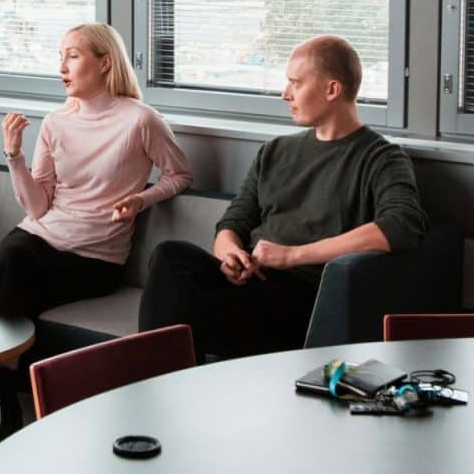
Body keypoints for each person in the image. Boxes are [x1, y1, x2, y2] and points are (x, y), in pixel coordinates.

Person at [0, 23, 193, 466]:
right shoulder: (56, 122)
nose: (61, 66)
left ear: (105, 62)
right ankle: (0, 407)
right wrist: (13, 154)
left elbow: (180, 175)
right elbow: (36, 208)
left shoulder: (140, 121)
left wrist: (140, 199)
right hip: (41, 238)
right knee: (11, 263)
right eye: (60, 55)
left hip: (94, 257)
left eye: (72, 55)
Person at [138, 35, 428, 363]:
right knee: (170, 256)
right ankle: (156, 376)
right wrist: (230, 255)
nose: (285, 94)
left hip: (300, 295)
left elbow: (402, 225)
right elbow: (233, 221)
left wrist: (291, 256)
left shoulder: (381, 158)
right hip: (248, 282)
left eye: (295, 83)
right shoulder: (275, 151)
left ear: (332, 90)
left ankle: (150, 379)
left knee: (179, 321)